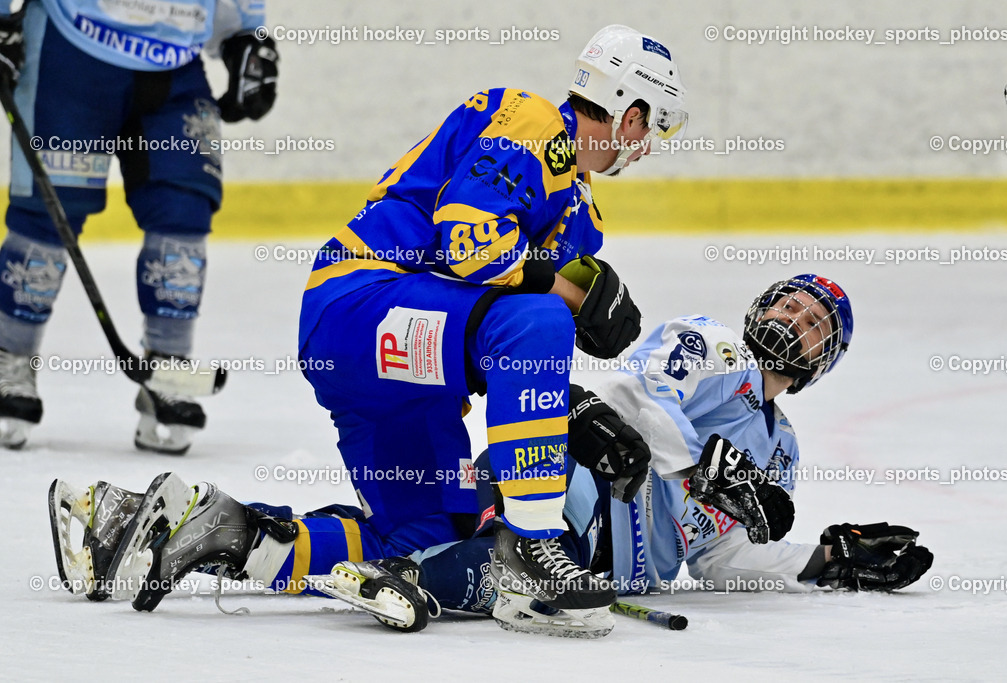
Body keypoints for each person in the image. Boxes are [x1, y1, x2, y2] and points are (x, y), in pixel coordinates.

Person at [47, 274, 932, 637]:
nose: (796, 320)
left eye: (817, 324)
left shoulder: (782, 448)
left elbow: (720, 550)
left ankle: (204, 527)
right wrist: (705, 470)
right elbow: (639, 405)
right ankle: (414, 572)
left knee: (408, 533)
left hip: (586, 551)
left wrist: (820, 560)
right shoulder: (711, 348)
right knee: (470, 560)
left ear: (825, 359)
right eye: (792, 303)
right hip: (563, 498)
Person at [292, 22, 687, 622]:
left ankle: (218, 535)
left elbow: (518, 290)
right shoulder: (533, 122)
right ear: (627, 113)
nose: (648, 144)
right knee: (538, 318)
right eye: (652, 124)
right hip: (362, 302)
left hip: (405, 374)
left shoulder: (578, 206)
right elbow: (468, 242)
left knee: (428, 547)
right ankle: (532, 544)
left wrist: (587, 300)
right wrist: (570, 298)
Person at [0, 0, 279, 452]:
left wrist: (246, 35)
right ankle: (9, 358)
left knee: (184, 209)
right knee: (49, 216)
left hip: (177, 63)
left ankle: (168, 364)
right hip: (70, 51)